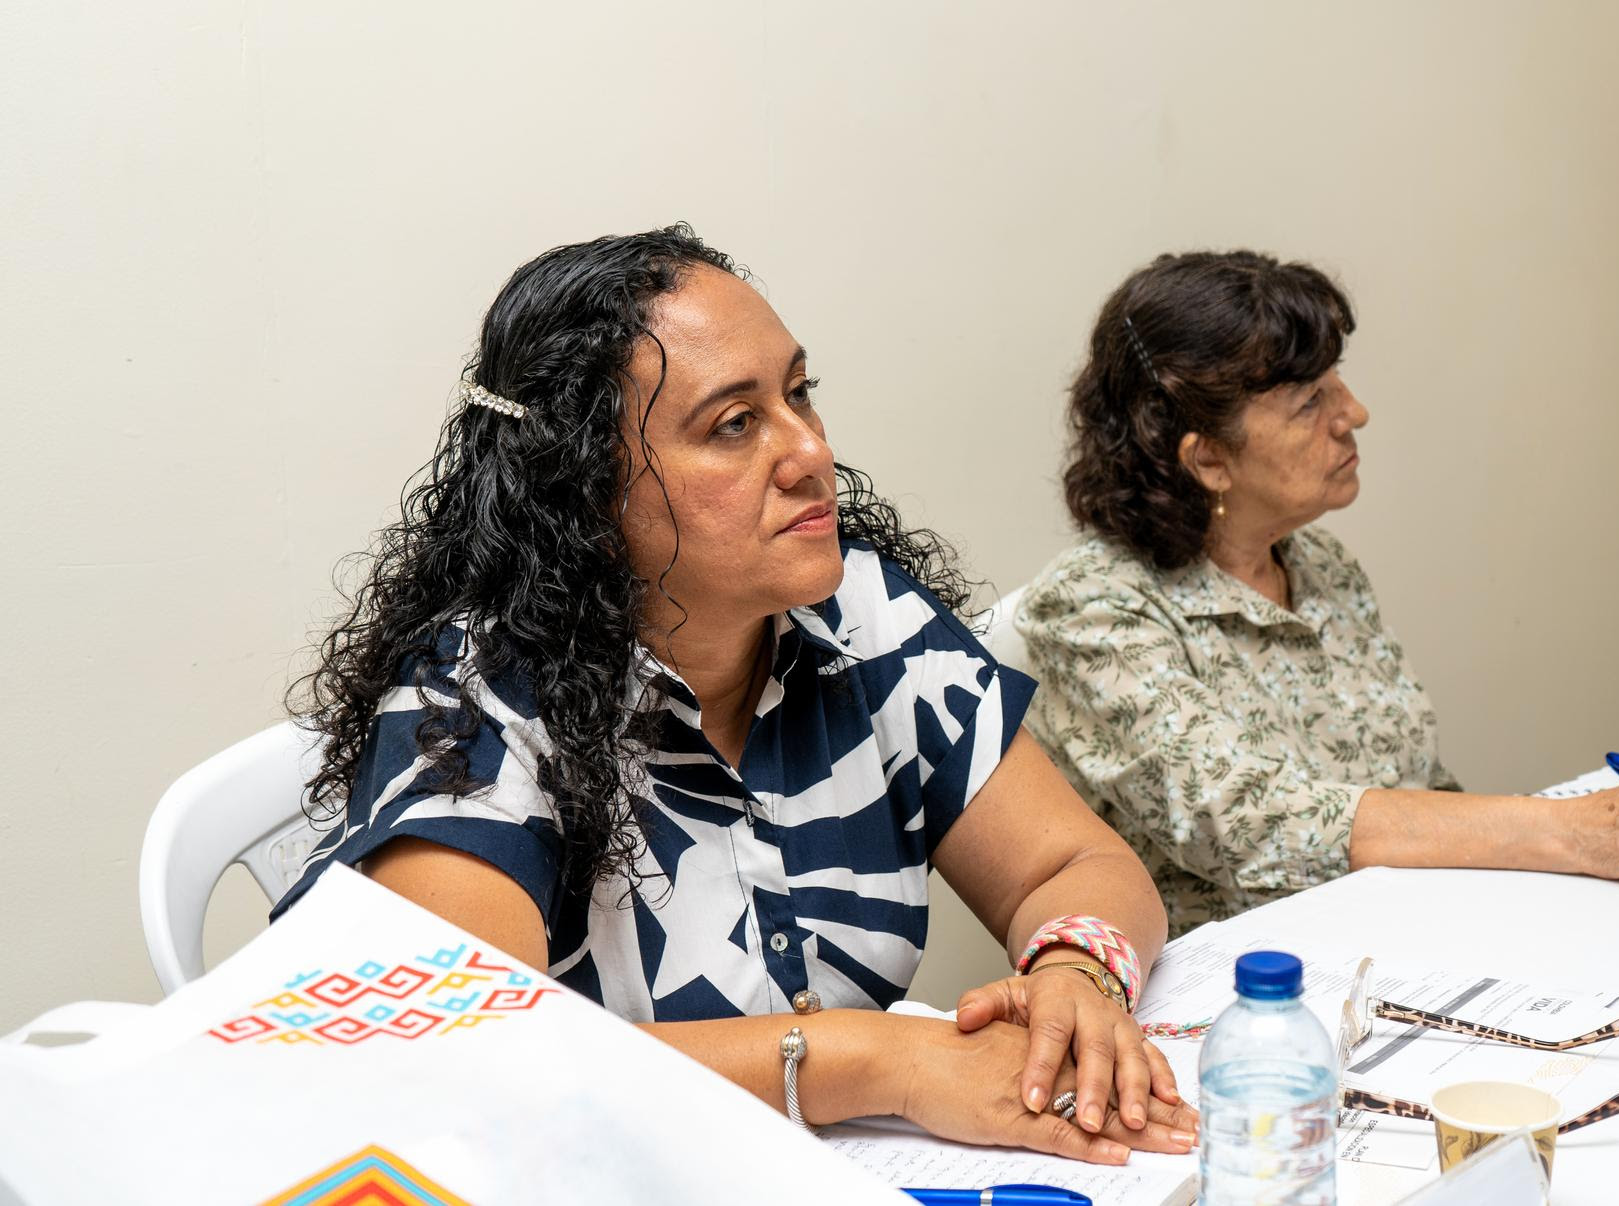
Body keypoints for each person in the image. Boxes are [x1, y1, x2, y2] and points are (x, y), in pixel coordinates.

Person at [274, 225, 1195, 1162]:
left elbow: (1072, 864)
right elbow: (472, 1058)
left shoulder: (862, 613)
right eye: (735, 424)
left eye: (800, 395)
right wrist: (886, 1064)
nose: (809, 452)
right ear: (584, 492)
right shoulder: (474, 704)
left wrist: (1078, 971)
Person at [1015, 250, 1619, 936]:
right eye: (1310, 402)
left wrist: (1599, 834)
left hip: (1403, 941)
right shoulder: (1090, 609)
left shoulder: (1321, 564)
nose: (1354, 413)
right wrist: (1574, 829)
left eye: (1336, 381)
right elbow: (1251, 826)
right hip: (1236, 1001)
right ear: (1209, 459)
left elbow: (1422, 786)